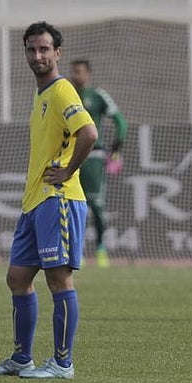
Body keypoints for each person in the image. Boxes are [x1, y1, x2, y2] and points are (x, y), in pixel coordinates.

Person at [0, 21, 98, 379]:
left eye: (45, 49)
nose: (38, 55)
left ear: (57, 53)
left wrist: (67, 172)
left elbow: (89, 133)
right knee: (18, 278)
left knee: (58, 281)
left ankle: (63, 363)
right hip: (34, 202)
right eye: (32, 49)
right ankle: (22, 358)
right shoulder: (42, 93)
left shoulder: (63, 91)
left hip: (57, 199)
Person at [69, 59, 127, 268]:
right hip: (69, 156)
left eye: (80, 72)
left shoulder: (98, 95)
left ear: (88, 74)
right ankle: (77, 251)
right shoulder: (66, 95)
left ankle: (101, 249)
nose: (77, 76)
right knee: (73, 205)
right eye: (74, 72)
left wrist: (116, 148)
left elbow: (120, 120)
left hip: (93, 156)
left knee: (95, 204)